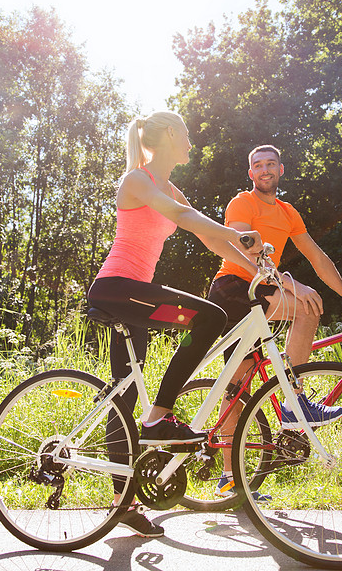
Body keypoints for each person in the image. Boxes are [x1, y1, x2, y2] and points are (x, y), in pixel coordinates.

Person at [87, 111, 262, 537]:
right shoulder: (137, 181)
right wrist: (237, 235)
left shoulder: (169, 186)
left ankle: (121, 502)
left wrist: (255, 268)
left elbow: (207, 236)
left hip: (133, 297)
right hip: (117, 288)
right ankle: (159, 418)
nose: (190, 141)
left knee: (123, 392)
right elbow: (183, 219)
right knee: (210, 316)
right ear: (169, 134)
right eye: (186, 133)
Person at [207, 144, 342, 499]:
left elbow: (319, 258)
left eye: (270, 164)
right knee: (307, 308)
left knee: (238, 386)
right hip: (235, 287)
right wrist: (292, 283)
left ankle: (228, 480)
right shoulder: (242, 203)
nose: (264, 170)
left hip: (262, 288)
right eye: (257, 165)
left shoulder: (288, 211)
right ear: (251, 174)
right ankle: (294, 404)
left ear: (281, 170)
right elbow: (246, 247)